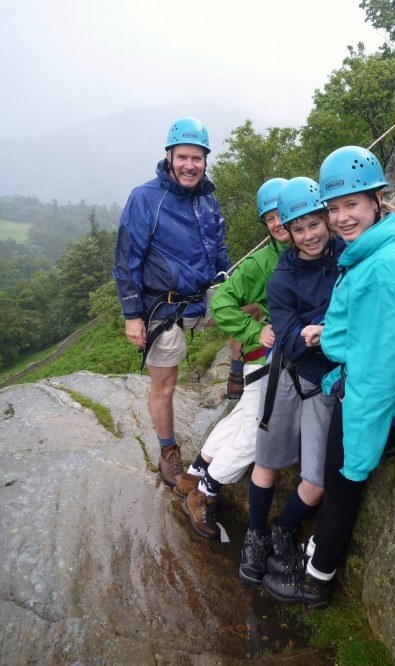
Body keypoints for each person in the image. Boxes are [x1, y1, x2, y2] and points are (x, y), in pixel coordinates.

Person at [262, 146, 395, 607]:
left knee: (341, 490)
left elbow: (377, 374)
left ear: (376, 200)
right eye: (333, 208)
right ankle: (313, 553)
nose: (340, 218)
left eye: (350, 205)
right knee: (335, 485)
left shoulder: (382, 271)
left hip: (367, 403)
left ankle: (316, 579)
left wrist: (358, 453)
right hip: (353, 387)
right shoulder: (371, 252)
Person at [239, 177, 345, 587]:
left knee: (316, 478)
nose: (308, 235)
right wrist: (327, 330)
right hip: (287, 373)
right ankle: (255, 534)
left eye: (314, 224)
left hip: (325, 381)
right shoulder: (281, 279)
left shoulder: (348, 256)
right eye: (297, 229)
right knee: (267, 459)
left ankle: (283, 528)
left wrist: (318, 330)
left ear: (326, 219)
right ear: (287, 232)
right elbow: (288, 340)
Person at [113, 116, 230, 488]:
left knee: (253, 307)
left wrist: (231, 281)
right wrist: (133, 315)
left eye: (197, 158)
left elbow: (218, 245)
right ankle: (168, 453)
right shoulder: (146, 197)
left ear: (206, 160)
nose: (190, 165)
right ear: (168, 156)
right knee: (165, 385)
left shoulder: (207, 197)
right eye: (183, 157)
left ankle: (239, 378)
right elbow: (126, 258)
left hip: (203, 295)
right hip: (163, 308)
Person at [174, 178, 290, 538]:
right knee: (257, 434)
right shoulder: (261, 262)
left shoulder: (294, 251)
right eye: (268, 219)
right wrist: (256, 332)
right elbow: (221, 303)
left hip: (267, 359)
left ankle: (194, 473)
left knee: (243, 416)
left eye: (280, 214)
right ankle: (205, 492)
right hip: (266, 357)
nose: (276, 223)